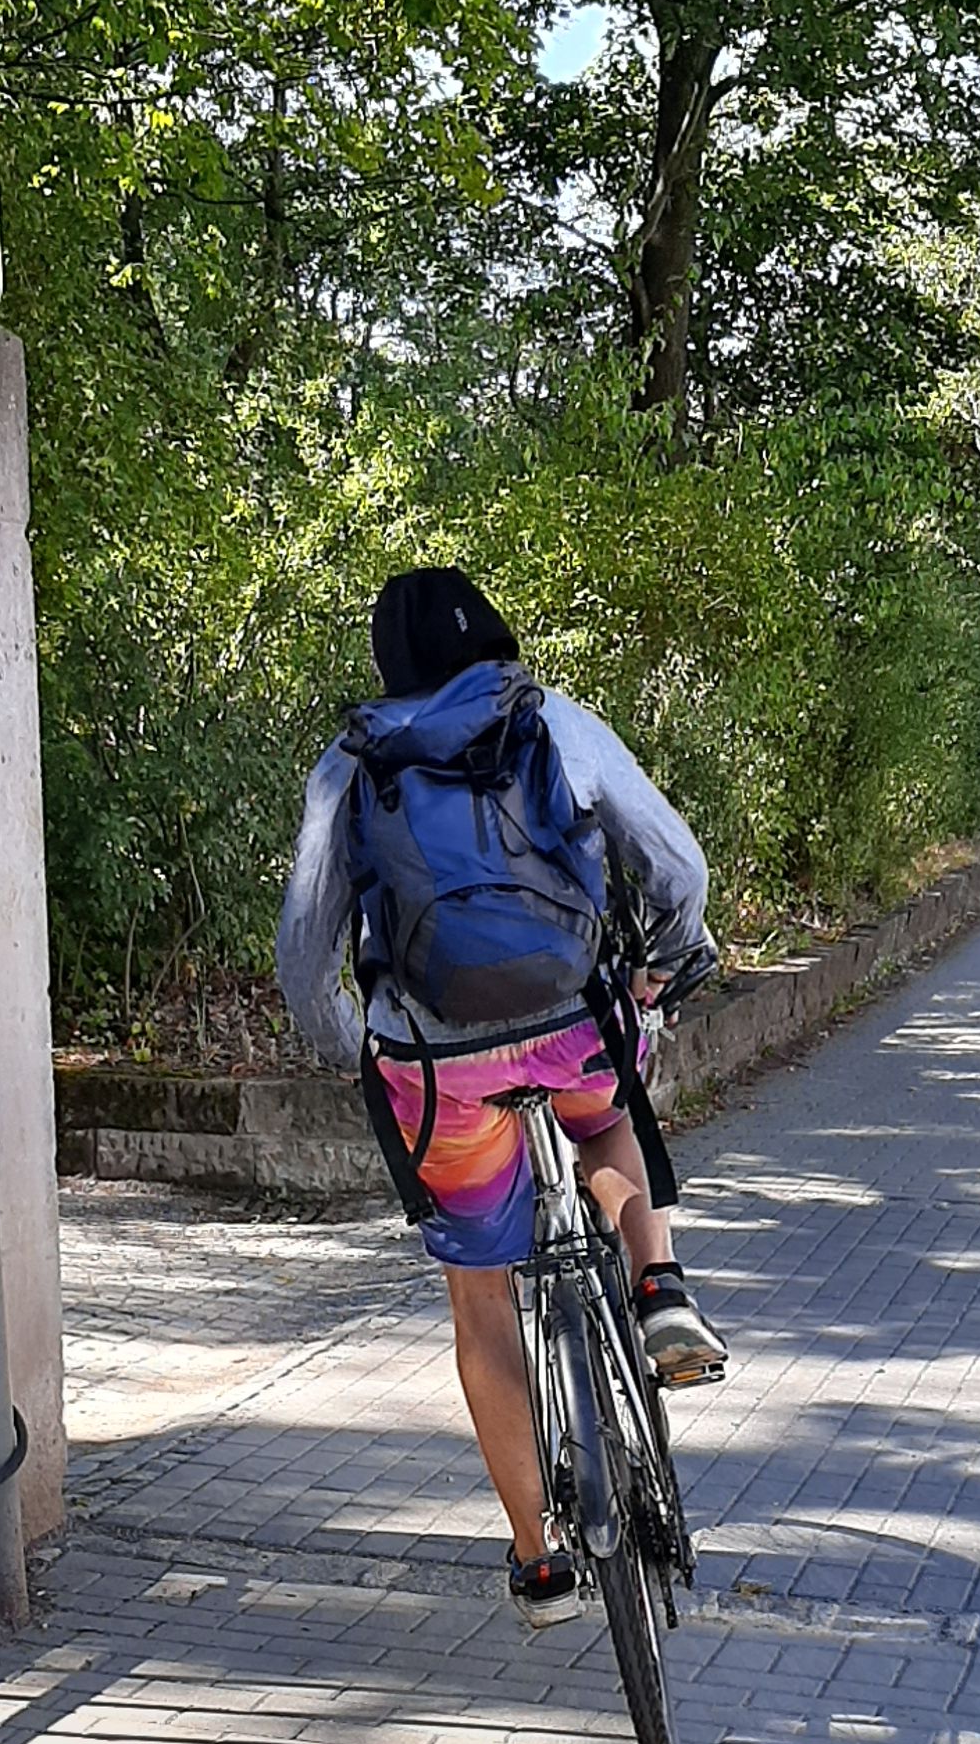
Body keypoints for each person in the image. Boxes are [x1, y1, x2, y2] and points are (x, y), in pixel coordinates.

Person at [276, 566, 727, 1629]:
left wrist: (364, 1051)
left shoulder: (353, 762)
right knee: (606, 1120)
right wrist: (667, 961)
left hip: (435, 1070)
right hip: (568, 1019)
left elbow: (305, 954)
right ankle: (656, 1286)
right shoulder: (550, 722)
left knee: (481, 1303)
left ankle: (536, 1558)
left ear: (390, 661)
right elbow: (673, 865)